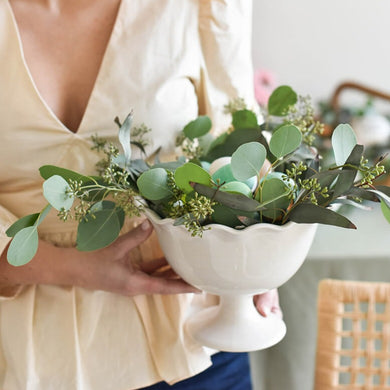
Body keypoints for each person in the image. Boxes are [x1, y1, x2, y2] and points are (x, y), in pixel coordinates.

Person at [0, 0, 282, 389]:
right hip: (18, 353)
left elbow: (238, 135)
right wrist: (72, 267)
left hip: (191, 342)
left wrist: (264, 235)